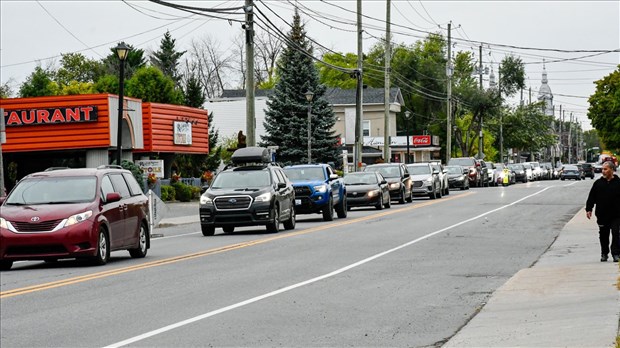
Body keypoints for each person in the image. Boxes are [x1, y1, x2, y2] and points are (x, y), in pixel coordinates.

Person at [585, 161, 620, 262]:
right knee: (604, 235)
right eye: (602, 169)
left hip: (616, 214)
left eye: (605, 169)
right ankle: (604, 253)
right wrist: (589, 209)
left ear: (612, 170)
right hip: (602, 215)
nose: (603, 171)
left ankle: (616, 253)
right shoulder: (598, 183)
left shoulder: (618, 183)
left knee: (616, 232)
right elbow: (591, 197)